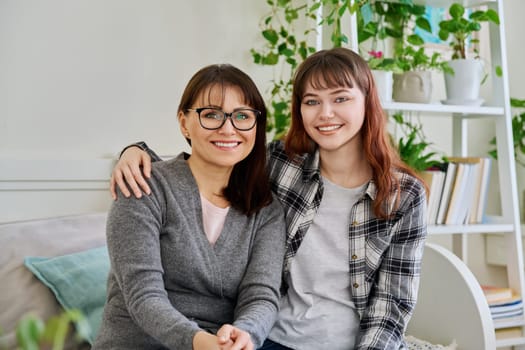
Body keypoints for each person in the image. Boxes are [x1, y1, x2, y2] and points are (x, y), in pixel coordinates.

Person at [110, 47, 428, 349]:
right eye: (312, 101)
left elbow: (392, 305)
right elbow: (214, 154)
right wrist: (135, 152)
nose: (326, 113)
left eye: (341, 98)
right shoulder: (281, 164)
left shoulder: (404, 196)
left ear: (368, 102)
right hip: (276, 339)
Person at [93, 64, 286, 350]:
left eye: (242, 116)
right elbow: (143, 295)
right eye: (211, 115)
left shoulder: (265, 208)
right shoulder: (143, 186)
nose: (228, 128)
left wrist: (245, 334)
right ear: (184, 122)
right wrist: (198, 342)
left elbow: (261, 294)